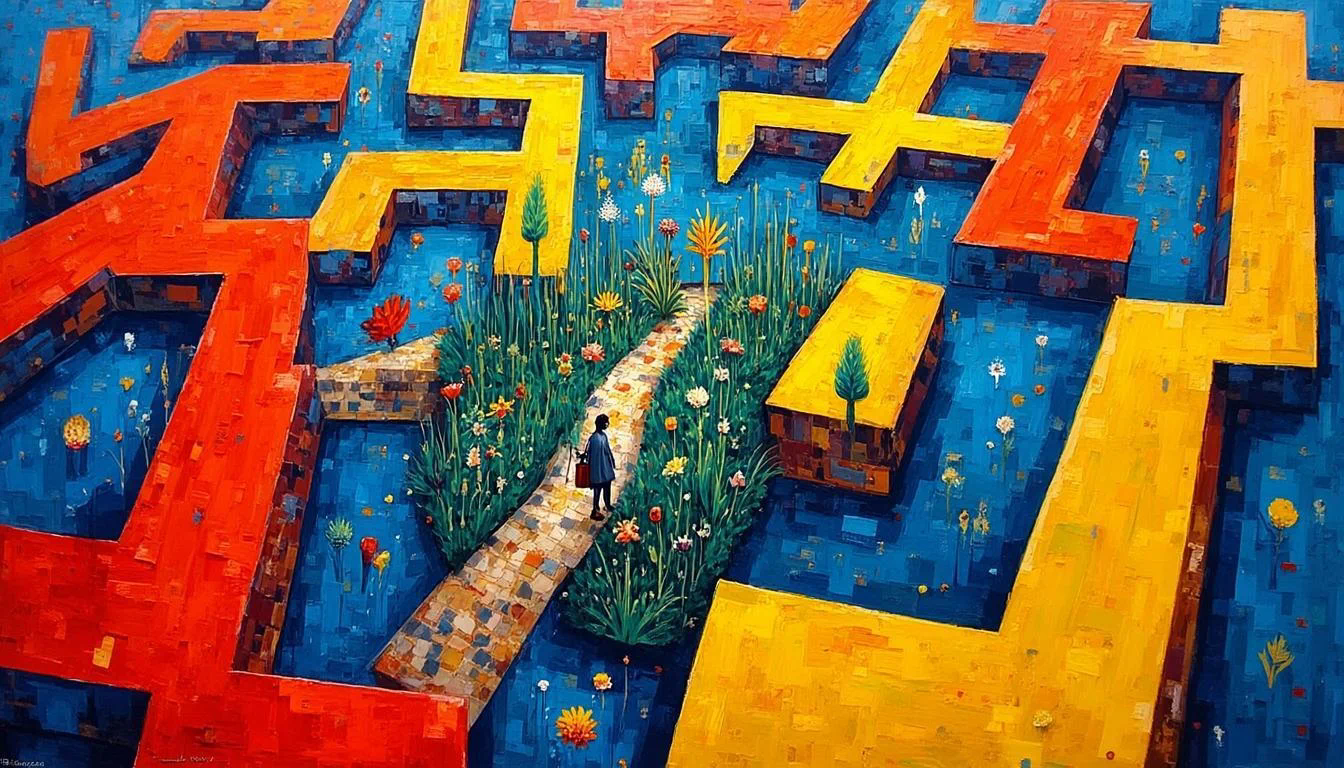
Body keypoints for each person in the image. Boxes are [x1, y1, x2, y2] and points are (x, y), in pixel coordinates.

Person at [584, 413, 617, 520]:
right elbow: (589, 455)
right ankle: (595, 510)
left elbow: (607, 450)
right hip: (597, 468)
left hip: (605, 466)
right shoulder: (593, 438)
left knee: (607, 485)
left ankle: (607, 504)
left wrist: (611, 460)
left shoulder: (603, 436)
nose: (607, 424)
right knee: (597, 489)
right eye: (606, 422)